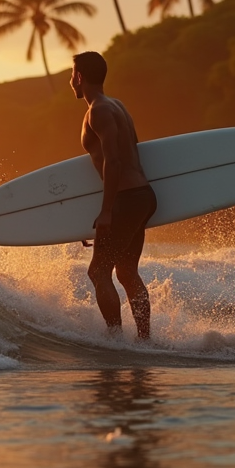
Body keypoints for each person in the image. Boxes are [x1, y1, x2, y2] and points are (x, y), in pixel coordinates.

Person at [70, 51, 157, 340]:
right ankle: (144, 341)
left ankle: (116, 340)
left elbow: (113, 161)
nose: (71, 81)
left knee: (98, 272)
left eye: (72, 75)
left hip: (127, 199)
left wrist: (108, 212)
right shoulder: (116, 106)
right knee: (126, 272)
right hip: (141, 197)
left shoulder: (98, 111)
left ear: (80, 76)